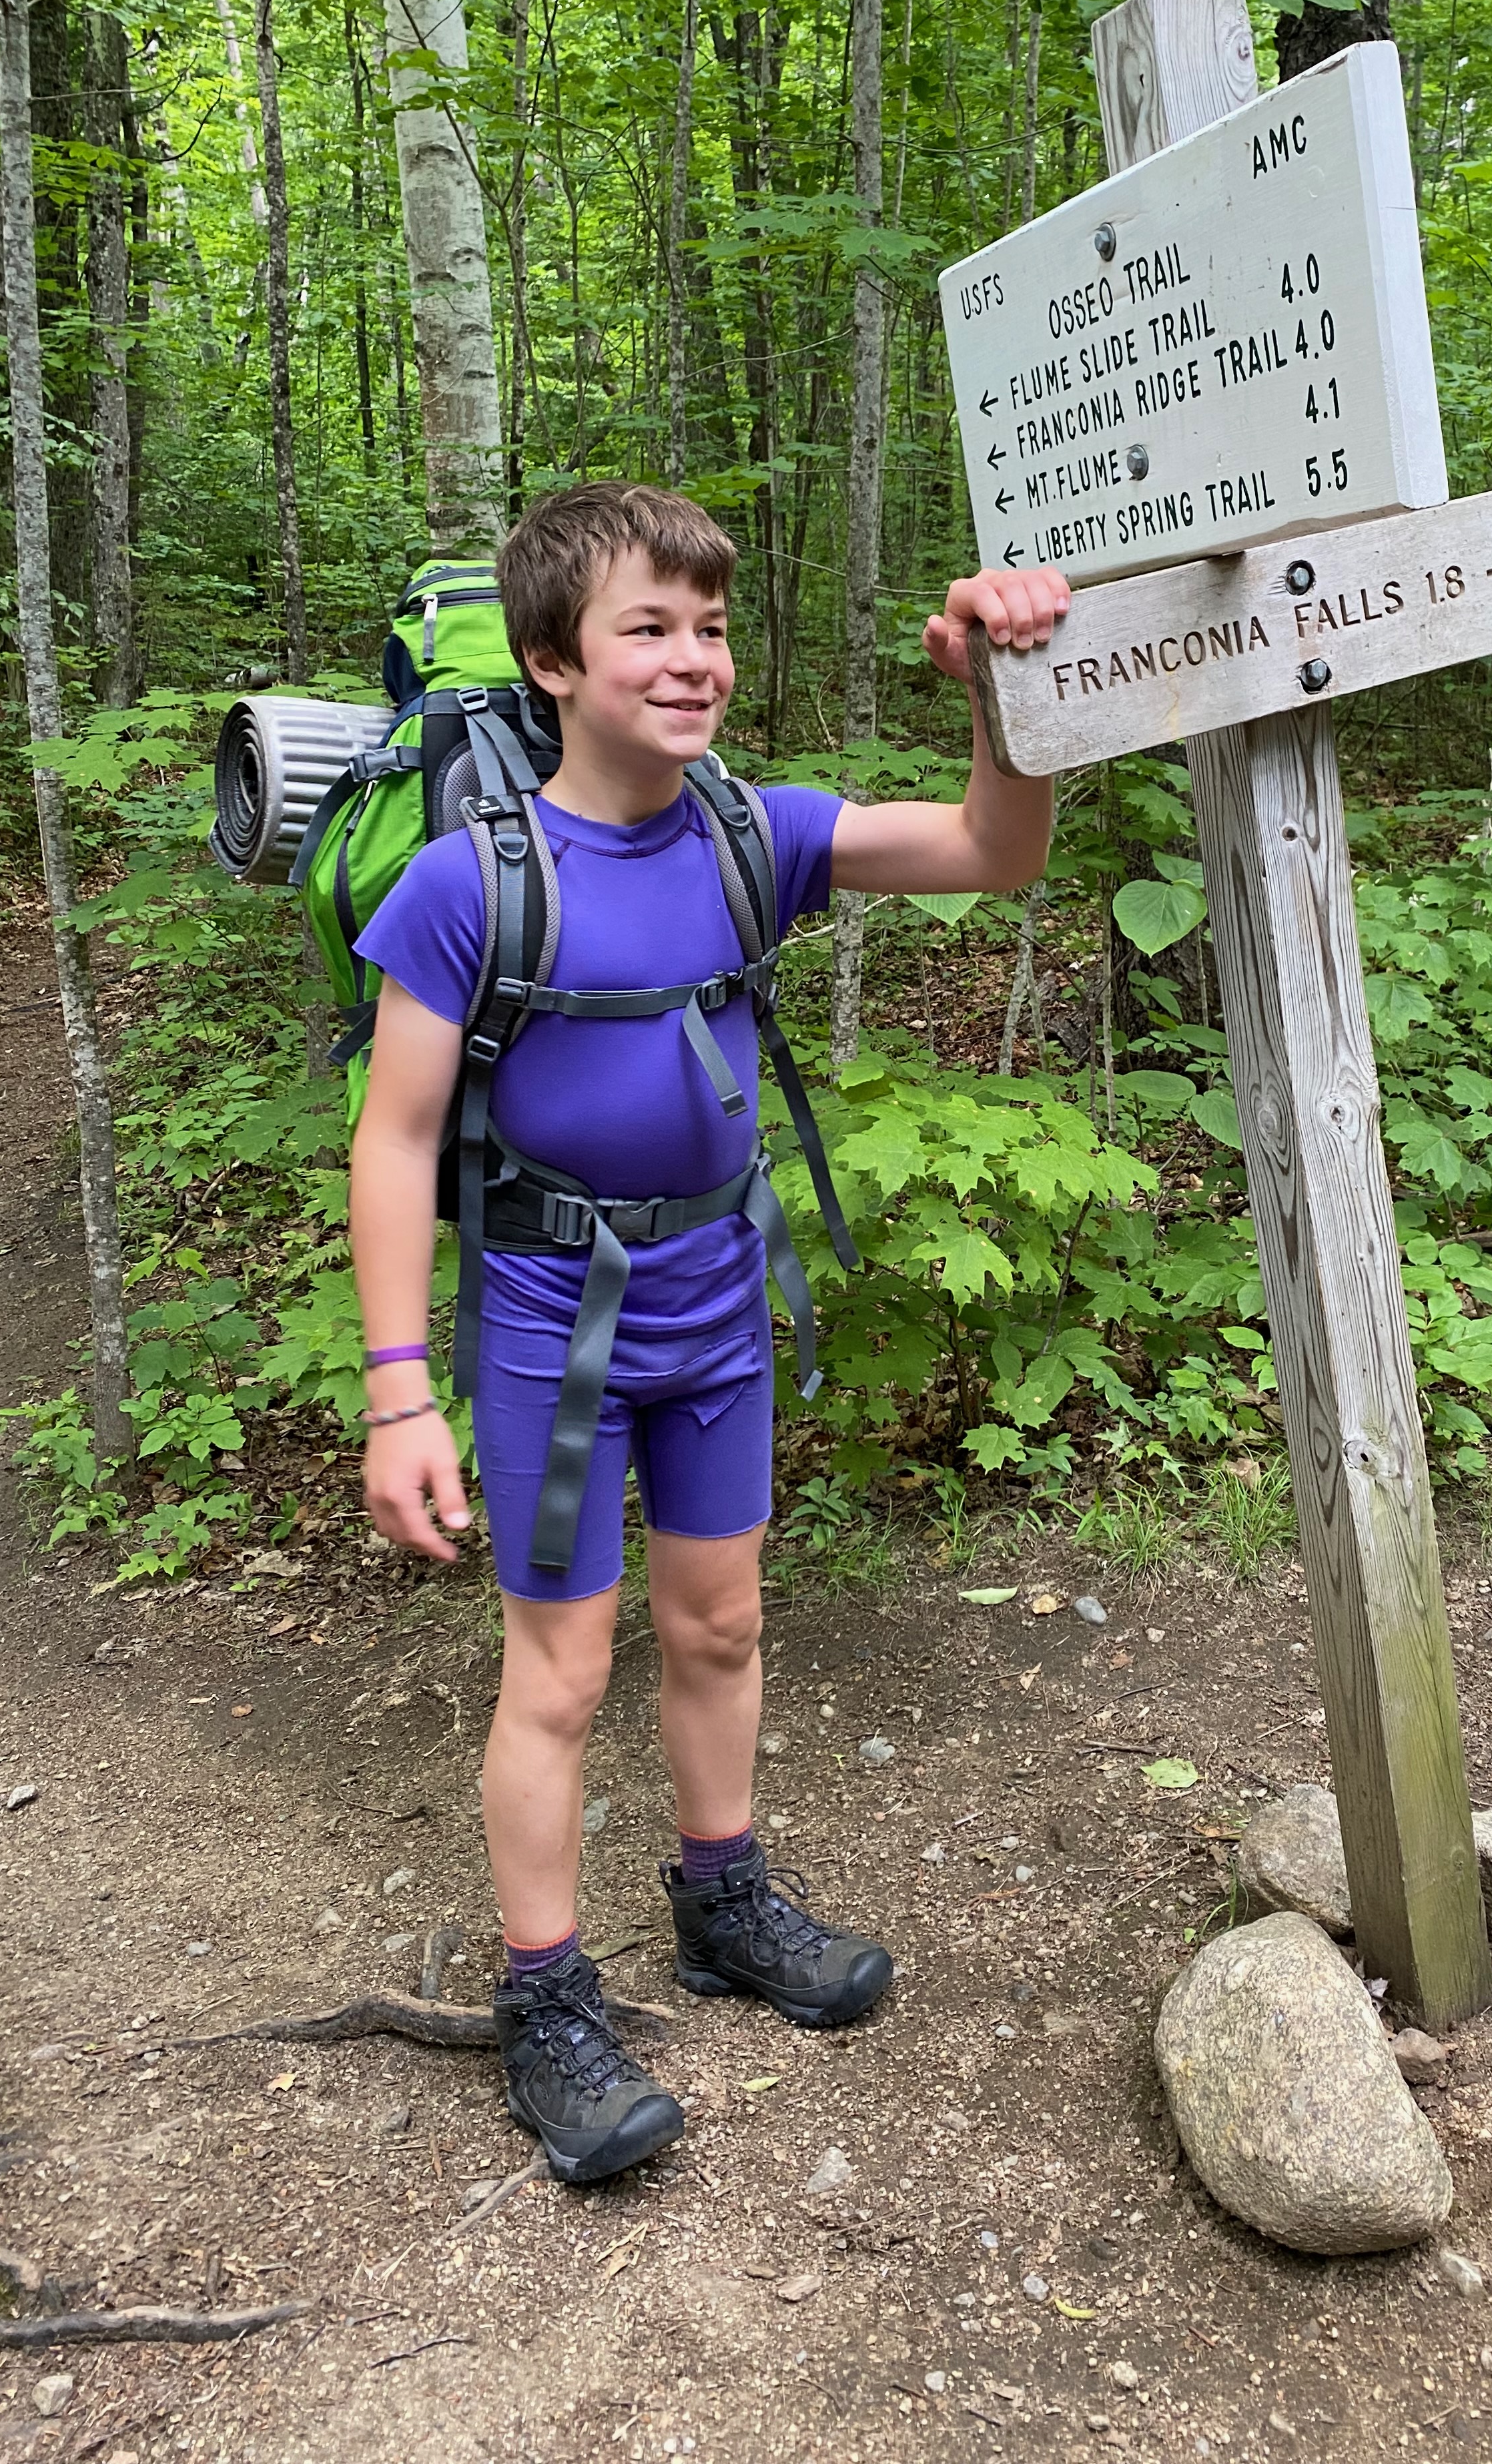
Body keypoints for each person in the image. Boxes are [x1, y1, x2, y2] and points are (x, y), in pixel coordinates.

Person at [349, 479, 1068, 2182]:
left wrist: (1003, 700)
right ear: (551, 663)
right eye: (648, 631)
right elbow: (390, 1140)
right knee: (563, 1668)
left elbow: (995, 851)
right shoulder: (474, 886)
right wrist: (398, 1395)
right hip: (547, 1317)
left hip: (719, 1302)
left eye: (713, 627)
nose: (694, 663)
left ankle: (721, 1902)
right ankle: (546, 2002)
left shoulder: (759, 836)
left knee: (724, 1619)